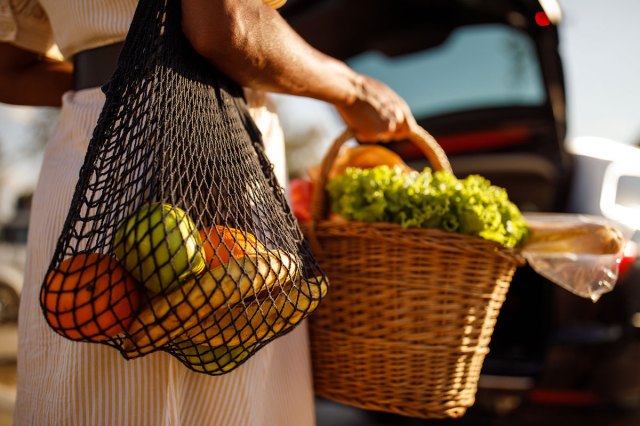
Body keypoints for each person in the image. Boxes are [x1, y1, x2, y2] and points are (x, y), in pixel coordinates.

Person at [0, 0, 417, 424]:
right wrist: (354, 89)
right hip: (215, 153)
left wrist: (121, 68)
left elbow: (9, 71)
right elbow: (225, 24)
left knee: (87, 397)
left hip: (94, 151)